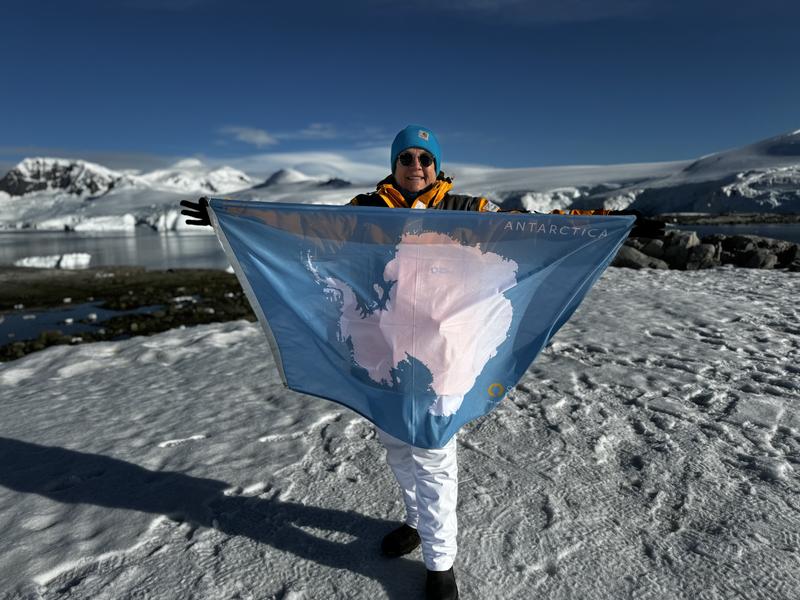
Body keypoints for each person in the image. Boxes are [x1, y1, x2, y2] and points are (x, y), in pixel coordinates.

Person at [180, 125, 661, 600]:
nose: (416, 166)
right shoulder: (365, 211)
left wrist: (614, 220)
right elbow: (306, 225)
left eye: (424, 158)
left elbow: (537, 224)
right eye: (407, 158)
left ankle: (441, 563)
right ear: (394, 164)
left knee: (433, 456)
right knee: (396, 446)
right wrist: (230, 215)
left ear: (437, 165)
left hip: (444, 359)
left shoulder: (468, 211)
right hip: (381, 354)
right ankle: (414, 522)